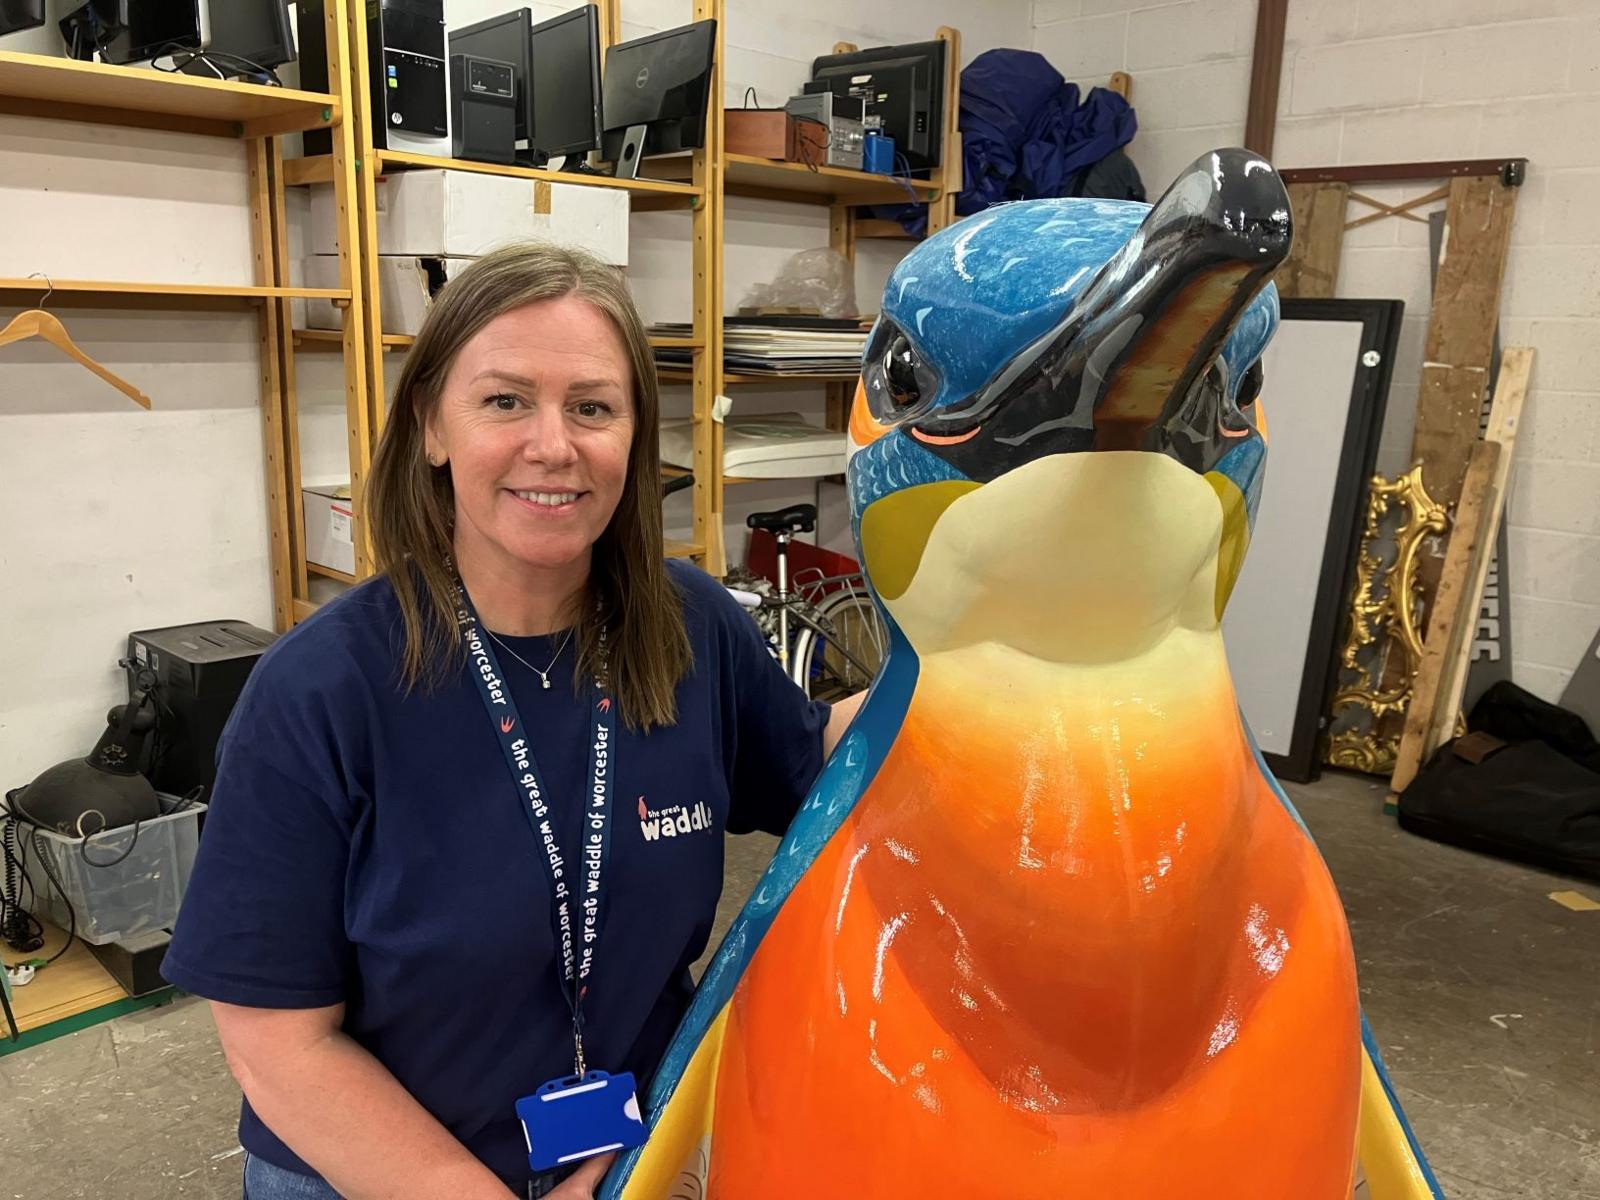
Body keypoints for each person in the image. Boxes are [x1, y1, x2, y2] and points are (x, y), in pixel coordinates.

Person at [162, 243, 863, 1200]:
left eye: (593, 407)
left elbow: (827, 760)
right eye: (504, 400)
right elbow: (279, 1046)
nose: (554, 446)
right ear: (432, 427)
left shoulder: (689, 625)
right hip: (376, 1175)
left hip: (619, 1158)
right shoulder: (320, 692)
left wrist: (979, 658)